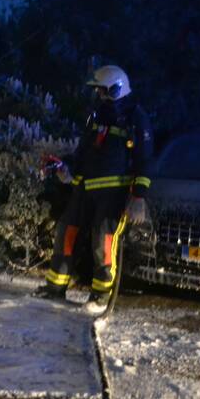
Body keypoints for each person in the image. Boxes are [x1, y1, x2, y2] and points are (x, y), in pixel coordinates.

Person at [37, 65, 153, 314]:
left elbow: (145, 159)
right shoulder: (96, 116)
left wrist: (138, 197)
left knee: (103, 241)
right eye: (98, 91)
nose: (99, 95)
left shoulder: (135, 117)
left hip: (114, 194)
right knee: (66, 233)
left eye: (103, 90)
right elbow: (83, 153)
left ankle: (100, 296)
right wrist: (65, 167)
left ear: (116, 89)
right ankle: (55, 287)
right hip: (83, 189)